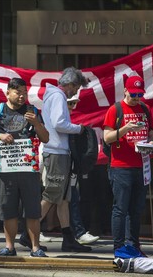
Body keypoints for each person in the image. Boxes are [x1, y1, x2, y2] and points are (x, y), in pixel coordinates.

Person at [0, 77, 50, 257]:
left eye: (24, 92)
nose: (22, 96)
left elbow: (45, 138)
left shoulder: (32, 110)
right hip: (6, 170)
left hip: (28, 169)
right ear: (8, 93)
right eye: (18, 92)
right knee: (7, 209)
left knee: (32, 210)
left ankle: (35, 247)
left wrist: (36, 123)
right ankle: (9, 247)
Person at [103, 75, 153, 257]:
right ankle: (119, 248)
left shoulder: (145, 108)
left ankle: (134, 245)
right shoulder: (115, 109)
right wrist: (126, 129)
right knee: (120, 208)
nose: (136, 97)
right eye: (133, 93)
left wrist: (150, 144)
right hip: (121, 167)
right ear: (125, 90)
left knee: (136, 208)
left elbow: (152, 133)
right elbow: (107, 138)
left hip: (141, 166)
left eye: (139, 94)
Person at [40, 67, 91, 252]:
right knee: (52, 195)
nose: (76, 92)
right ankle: (27, 233)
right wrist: (79, 128)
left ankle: (68, 238)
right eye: (76, 88)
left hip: (58, 151)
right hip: (56, 152)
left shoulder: (54, 95)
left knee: (63, 199)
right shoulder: (58, 96)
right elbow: (59, 124)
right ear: (70, 84)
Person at [66, 96, 99, 245]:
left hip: (68, 164)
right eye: (70, 103)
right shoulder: (57, 115)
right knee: (50, 200)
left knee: (69, 199)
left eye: (74, 103)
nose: (72, 107)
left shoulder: (67, 116)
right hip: (54, 162)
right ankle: (31, 231)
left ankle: (74, 235)